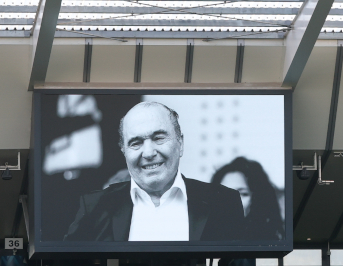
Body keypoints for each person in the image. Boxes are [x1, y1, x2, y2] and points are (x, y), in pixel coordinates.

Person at [63, 101, 245, 243]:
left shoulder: (223, 203)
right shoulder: (95, 207)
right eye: (136, 143)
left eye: (158, 138)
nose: (149, 153)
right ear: (123, 151)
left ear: (180, 143)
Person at [211, 156, 285, 242]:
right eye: (223, 194)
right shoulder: (205, 241)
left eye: (242, 194)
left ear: (258, 199)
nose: (230, 201)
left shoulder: (272, 243)